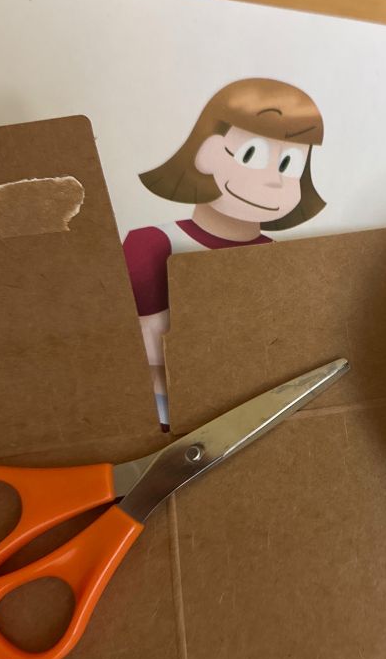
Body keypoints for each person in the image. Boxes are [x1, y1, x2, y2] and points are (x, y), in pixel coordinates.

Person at [123, 78, 326, 425]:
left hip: (250, 414)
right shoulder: (152, 244)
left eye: (289, 165)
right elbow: (117, 341)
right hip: (153, 411)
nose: (273, 180)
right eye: (252, 155)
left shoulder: (285, 261)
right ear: (207, 152)